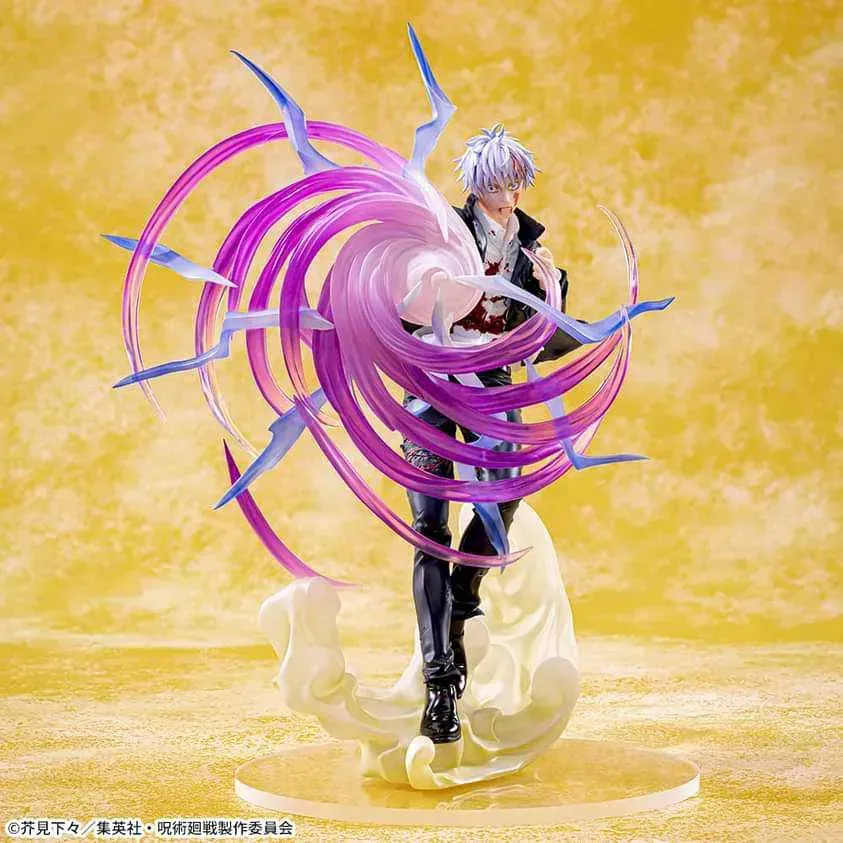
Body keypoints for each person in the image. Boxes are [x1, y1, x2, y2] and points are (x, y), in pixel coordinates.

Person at [399, 124, 584, 743]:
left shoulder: (532, 250)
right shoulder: (442, 233)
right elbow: (402, 298)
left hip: (493, 378)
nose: (509, 196)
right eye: (498, 185)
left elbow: (541, 334)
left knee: (506, 490)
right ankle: (440, 684)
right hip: (431, 373)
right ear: (477, 188)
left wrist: (552, 290)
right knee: (429, 528)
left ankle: (462, 593)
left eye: (515, 184)